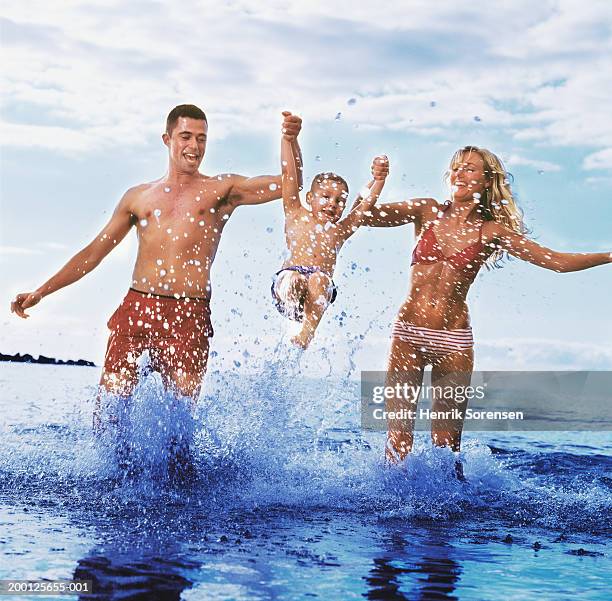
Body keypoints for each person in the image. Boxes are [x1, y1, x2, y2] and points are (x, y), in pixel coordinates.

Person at [11, 105, 303, 429]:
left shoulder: (222, 190)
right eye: (186, 137)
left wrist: (289, 141)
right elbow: (94, 253)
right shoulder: (139, 197)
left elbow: (289, 184)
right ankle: (111, 479)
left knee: (178, 425)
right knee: (109, 414)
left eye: (202, 139)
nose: (194, 147)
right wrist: (41, 291)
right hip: (138, 308)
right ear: (167, 139)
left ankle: (178, 476)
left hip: (188, 315)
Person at [360, 146, 611, 468]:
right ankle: (394, 510)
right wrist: (377, 181)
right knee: (397, 441)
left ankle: (448, 509)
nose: (459, 174)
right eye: (456, 167)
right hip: (408, 334)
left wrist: (608, 256)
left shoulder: (491, 231)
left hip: (454, 343)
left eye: (470, 169)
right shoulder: (426, 210)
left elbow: (557, 262)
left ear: (487, 180)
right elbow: (366, 217)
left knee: (447, 446)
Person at [273, 112, 389, 348]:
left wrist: (379, 179)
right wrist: (288, 139)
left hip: (317, 294)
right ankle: (296, 308)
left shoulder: (339, 230)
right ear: (309, 198)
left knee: (318, 279)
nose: (332, 205)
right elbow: (289, 175)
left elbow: (363, 206)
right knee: (295, 278)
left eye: (339, 201)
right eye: (325, 197)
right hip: (288, 286)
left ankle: (306, 334)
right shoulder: (295, 213)